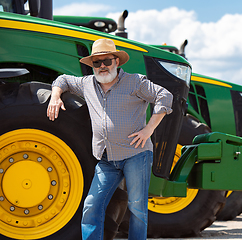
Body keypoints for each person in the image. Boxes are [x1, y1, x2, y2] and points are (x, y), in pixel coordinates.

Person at [47, 38, 173, 240]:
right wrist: (55, 96)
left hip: (136, 155)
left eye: (107, 61)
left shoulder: (136, 82)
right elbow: (62, 79)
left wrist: (149, 129)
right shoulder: (87, 84)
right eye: (97, 62)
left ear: (117, 61)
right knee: (91, 204)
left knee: (137, 208)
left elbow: (165, 97)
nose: (102, 66)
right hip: (107, 160)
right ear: (93, 66)